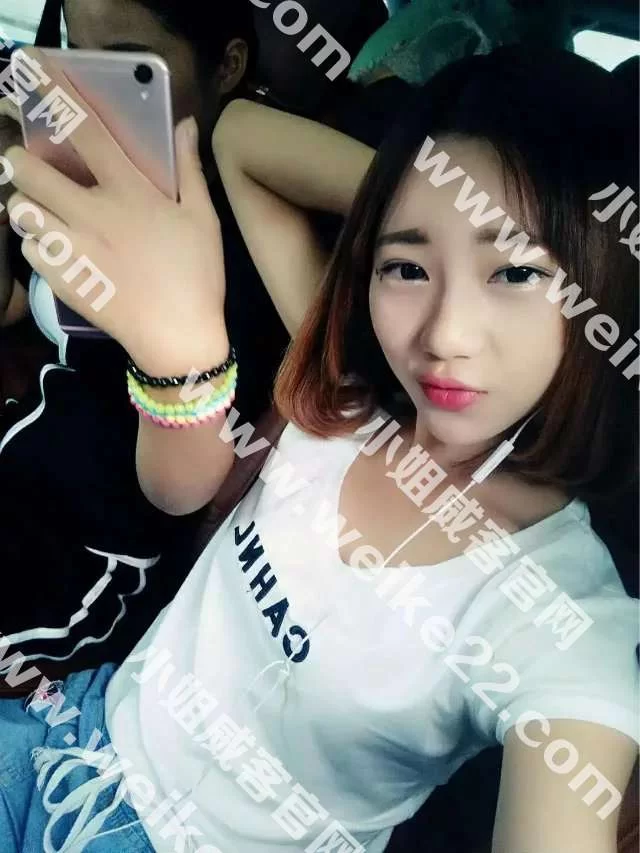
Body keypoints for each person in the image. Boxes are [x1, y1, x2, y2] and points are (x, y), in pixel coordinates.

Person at [1, 45, 638, 853]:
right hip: (68, 728)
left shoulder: (566, 619)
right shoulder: (346, 396)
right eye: (406, 267)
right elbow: (240, 138)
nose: (444, 334)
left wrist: (446, 220)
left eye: (513, 274)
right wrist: (417, 197)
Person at [0, 0, 288, 673]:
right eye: (77, 54)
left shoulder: (240, 221)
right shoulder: (81, 180)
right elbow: (12, 301)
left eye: (127, 67)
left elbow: (181, 490)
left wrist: (174, 352)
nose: (88, 88)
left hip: (100, 546)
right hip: (29, 447)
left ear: (228, 66)